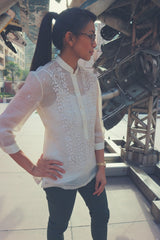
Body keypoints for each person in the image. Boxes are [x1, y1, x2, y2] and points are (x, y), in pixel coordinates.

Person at [0, 7, 109, 240]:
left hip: (92, 173)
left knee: (102, 215)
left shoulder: (91, 79)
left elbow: (97, 128)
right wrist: (33, 168)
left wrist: (101, 166)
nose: (95, 42)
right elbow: (3, 130)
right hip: (60, 177)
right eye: (90, 35)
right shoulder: (42, 79)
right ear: (69, 38)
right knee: (58, 226)